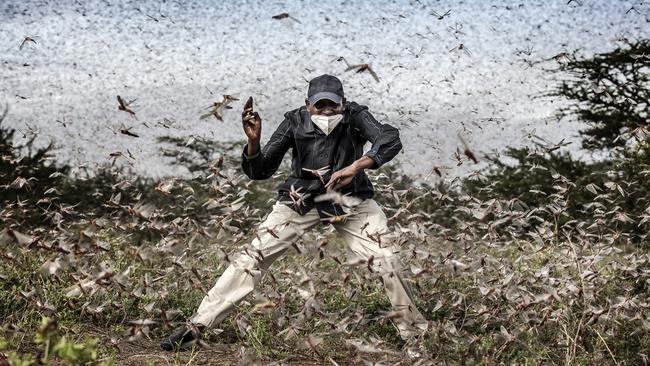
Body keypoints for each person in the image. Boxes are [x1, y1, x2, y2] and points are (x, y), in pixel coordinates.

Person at [161, 74, 428, 351]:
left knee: (387, 258)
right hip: (300, 199)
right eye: (319, 106)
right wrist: (253, 143)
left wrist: (355, 167)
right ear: (307, 104)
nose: (326, 112)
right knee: (252, 257)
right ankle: (198, 326)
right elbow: (260, 171)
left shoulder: (356, 116)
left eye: (332, 106)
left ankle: (414, 336)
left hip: (352, 199)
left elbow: (389, 138)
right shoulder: (293, 121)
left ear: (343, 104)